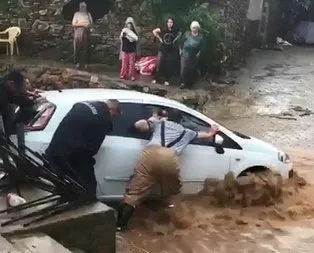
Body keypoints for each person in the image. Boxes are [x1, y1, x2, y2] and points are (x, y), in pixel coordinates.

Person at [116, 109, 219, 231]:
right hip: (169, 157)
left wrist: (153, 118)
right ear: (181, 120)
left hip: (149, 154)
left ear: (168, 118)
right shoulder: (187, 132)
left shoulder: (160, 124)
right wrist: (212, 131)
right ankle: (175, 221)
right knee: (173, 190)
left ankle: (120, 226)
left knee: (134, 193)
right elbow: (205, 135)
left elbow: (139, 125)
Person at [45, 99, 121, 197]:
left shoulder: (82, 104)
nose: (112, 118)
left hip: (55, 148)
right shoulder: (103, 118)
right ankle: (85, 206)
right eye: (114, 116)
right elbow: (92, 149)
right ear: (112, 109)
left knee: (59, 184)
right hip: (70, 155)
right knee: (88, 187)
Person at [152, 18, 181, 86]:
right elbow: (154, 31)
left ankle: (166, 79)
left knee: (168, 65)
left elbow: (180, 33)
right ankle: (155, 78)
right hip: (162, 48)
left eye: (171, 22)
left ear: (173, 23)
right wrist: (159, 38)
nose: (170, 23)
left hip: (170, 49)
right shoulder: (163, 29)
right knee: (159, 63)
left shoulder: (175, 30)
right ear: (167, 23)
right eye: (168, 22)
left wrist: (175, 40)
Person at [179, 21, 204, 89]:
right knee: (183, 68)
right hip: (185, 53)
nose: (194, 29)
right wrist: (180, 50)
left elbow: (202, 47)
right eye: (193, 28)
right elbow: (181, 42)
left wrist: (199, 53)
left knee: (191, 70)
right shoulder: (187, 34)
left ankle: (189, 84)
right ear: (191, 28)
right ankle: (182, 83)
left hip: (193, 55)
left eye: (195, 28)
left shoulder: (200, 37)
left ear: (198, 28)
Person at [72, 2, 93, 69]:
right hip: (78, 31)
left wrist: (89, 26)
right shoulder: (77, 14)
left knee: (86, 48)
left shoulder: (88, 14)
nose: (83, 8)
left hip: (86, 31)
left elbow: (91, 23)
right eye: (82, 7)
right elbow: (74, 24)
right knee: (77, 47)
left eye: (84, 7)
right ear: (80, 7)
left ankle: (86, 63)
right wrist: (82, 25)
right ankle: (77, 63)